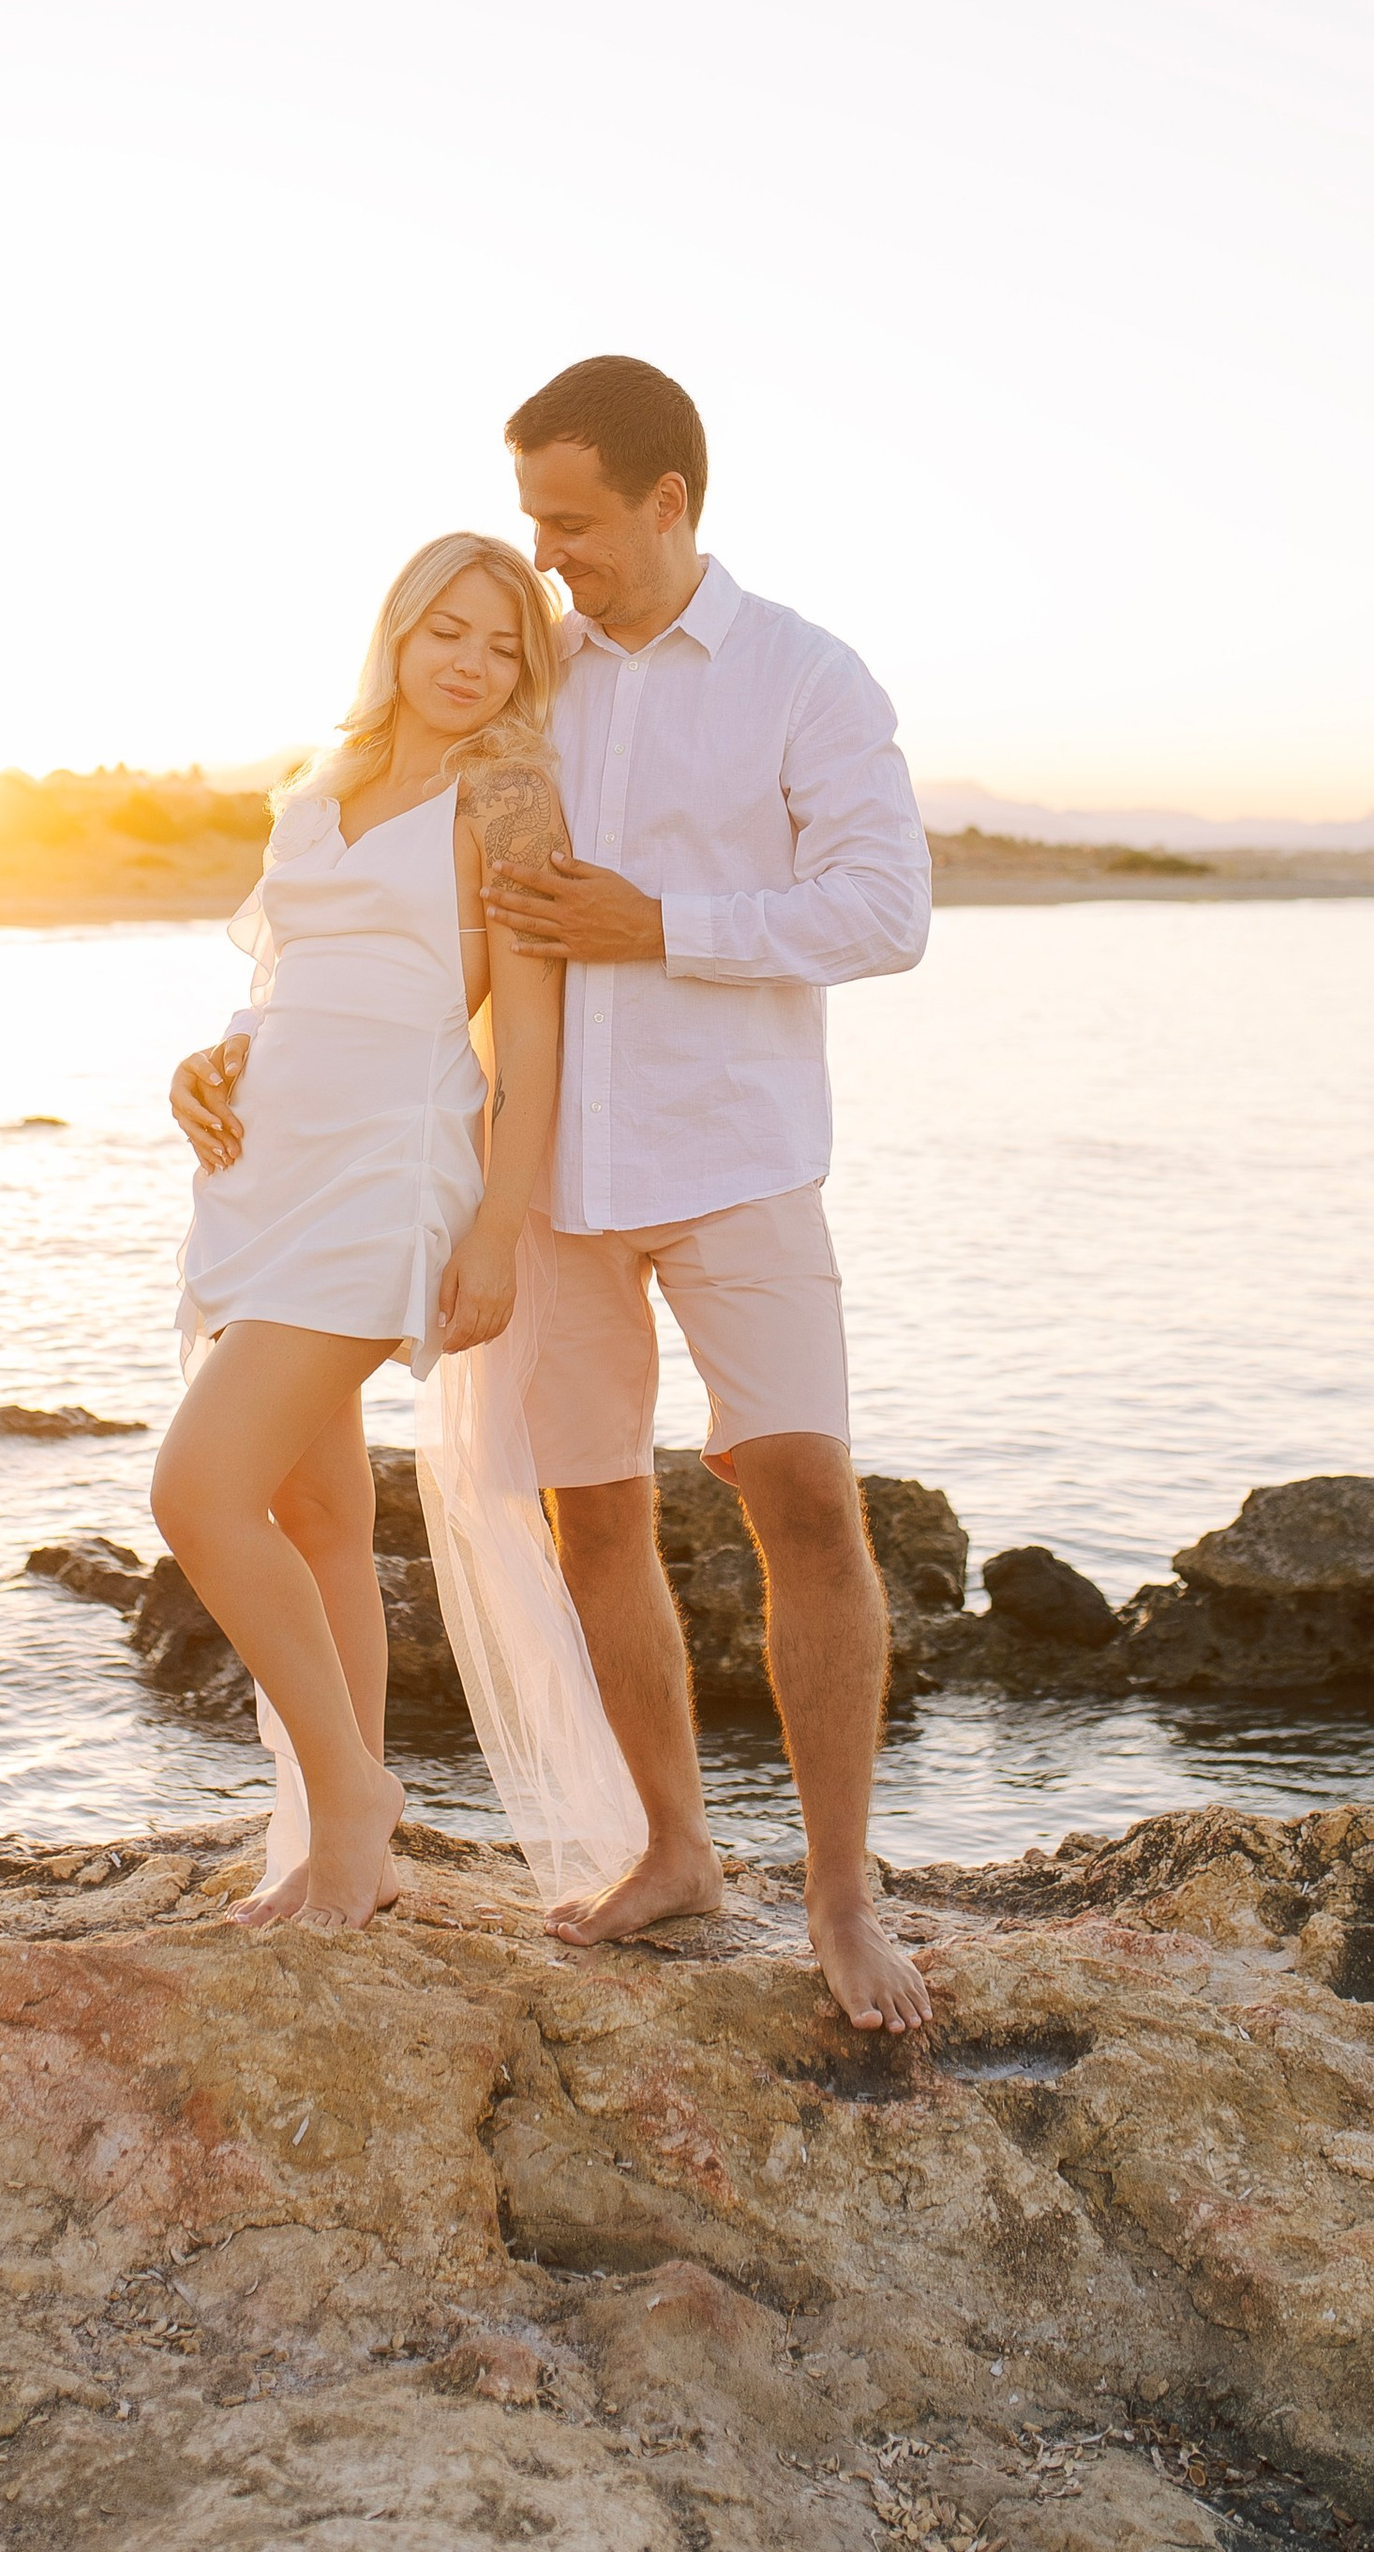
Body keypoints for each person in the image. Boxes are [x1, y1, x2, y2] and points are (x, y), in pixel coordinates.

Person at [478, 356, 935, 2034]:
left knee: (804, 1496)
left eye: (572, 522)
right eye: (534, 519)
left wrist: (658, 922)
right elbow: (421, 889)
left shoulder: (805, 676)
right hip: (548, 1173)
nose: (546, 557)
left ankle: (837, 1893)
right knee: (589, 1510)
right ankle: (676, 1850)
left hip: (737, 1160)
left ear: (669, 502)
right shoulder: (528, 683)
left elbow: (885, 910)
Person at [158, 532, 639, 1933]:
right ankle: (334, 1849)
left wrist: (496, 1228)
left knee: (196, 1494)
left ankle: (358, 1791)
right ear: (399, 630)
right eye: (449, 631)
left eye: (504, 647)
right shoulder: (320, 786)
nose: (470, 664)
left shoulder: (510, 796)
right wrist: (212, 1059)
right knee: (312, 1515)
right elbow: (287, 979)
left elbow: (530, 1049)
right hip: (264, 1167)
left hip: (391, 1172)